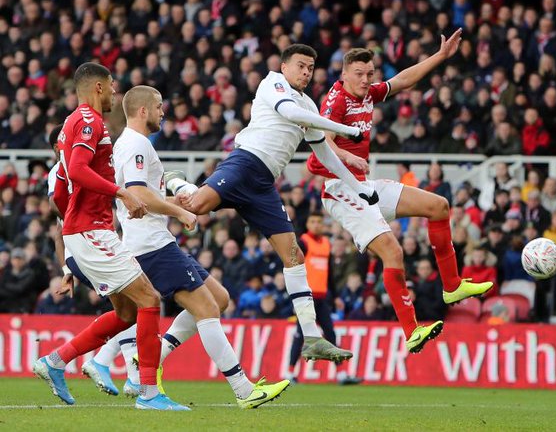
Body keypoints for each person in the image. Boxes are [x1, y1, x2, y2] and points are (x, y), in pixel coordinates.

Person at [166, 44, 374, 363]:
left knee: (294, 254)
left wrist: (357, 186)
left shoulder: (308, 104)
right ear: (285, 66)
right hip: (245, 164)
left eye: (310, 68)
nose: (306, 72)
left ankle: (312, 337)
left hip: (264, 184)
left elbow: (324, 154)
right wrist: (346, 129)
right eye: (301, 66)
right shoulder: (272, 83)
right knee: (194, 208)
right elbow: (289, 113)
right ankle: (174, 181)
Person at [305, 31, 493, 353]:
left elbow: (404, 80)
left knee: (439, 206)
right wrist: (349, 157)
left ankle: (452, 285)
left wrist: (440, 56)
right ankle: (412, 330)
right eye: (359, 75)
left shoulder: (366, 94)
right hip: (339, 190)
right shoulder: (335, 102)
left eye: (370, 75)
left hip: (362, 184)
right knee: (393, 251)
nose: (366, 81)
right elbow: (319, 151)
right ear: (344, 74)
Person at [109, 85, 289, 408]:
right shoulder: (136, 144)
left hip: (156, 242)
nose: (164, 112)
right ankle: (244, 390)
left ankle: (146, 361)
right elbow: (138, 194)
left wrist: (171, 200)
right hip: (152, 246)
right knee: (206, 309)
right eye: (160, 106)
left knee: (219, 299)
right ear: (143, 111)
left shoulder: (132, 143)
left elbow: (142, 194)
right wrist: (179, 211)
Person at [33, 62, 188, 410]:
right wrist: (121, 193)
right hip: (91, 229)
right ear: (98, 87)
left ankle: (56, 361)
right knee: (149, 300)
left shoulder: (72, 124)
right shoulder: (89, 121)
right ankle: (148, 393)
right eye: (112, 85)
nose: (116, 92)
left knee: (127, 313)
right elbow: (76, 170)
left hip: (86, 228)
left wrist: (74, 216)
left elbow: (60, 188)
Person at [287, 212, 361, 385]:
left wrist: (334, 296)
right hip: (306, 298)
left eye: (319, 222)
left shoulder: (327, 244)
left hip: (322, 298)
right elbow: (293, 268)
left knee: (330, 334)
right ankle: (290, 373)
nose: (316, 225)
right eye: (313, 221)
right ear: (307, 224)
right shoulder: (303, 243)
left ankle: (341, 374)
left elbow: (329, 274)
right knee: (301, 335)